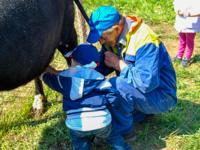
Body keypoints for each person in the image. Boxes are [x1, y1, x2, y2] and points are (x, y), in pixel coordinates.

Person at [87, 6, 177, 135]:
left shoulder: (144, 39)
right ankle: (140, 113)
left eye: (102, 37)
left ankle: (123, 133)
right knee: (105, 97)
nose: (101, 42)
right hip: (140, 92)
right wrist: (81, 75)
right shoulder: (113, 37)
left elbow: (146, 83)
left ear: (117, 29)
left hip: (161, 96)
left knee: (116, 85)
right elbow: (102, 66)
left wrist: (119, 64)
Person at [40, 43, 131, 150]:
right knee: (114, 137)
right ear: (95, 64)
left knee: (80, 144)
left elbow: (51, 80)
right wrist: (108, 106)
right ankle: (121, 148)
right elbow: (113, 96)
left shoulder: (64, 79)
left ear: (72, 61)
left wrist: (42, 74)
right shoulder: (99, 78)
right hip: (102, 122)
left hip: (76, 124)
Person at [172, 0, 200, 67]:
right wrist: (178, 11)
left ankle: (187, 57)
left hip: (191, 25)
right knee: (182, 41)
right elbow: (176, 5)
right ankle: (179, 55)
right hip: (181, 24)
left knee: (189, 42)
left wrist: (191, 14)